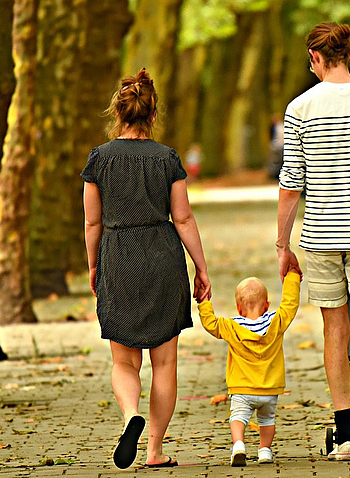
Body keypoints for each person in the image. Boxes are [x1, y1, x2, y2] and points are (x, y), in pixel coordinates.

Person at [276, 22, 350, 465]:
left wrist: (281, 242)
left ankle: (344, 432)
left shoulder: (300, 108)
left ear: (316, 59)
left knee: (334, 330)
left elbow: (292, 183)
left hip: (321, 236)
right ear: (349, 54)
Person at [81, 68, 212, 469]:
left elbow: (92, 222)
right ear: (152, 115)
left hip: (118, 256)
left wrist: (94, 266)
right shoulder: (167, 158)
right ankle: (154, 450)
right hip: (162, 256)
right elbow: (184, 219)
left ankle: (129, 416)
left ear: (117, 113)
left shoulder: (99, 160)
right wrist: (201, 269)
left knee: (124, 362)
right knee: (165, 364)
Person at [197, 271, 301, 467]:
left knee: (238, 418)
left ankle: (238, 445)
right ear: (267, 305)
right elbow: (290, 305)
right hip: (269, 390)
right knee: (267, 420)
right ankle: (265, 451)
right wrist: (292, 278)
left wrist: (204, 301)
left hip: (241, 389)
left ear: (238, 308)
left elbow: (210, 324)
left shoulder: (231, 327)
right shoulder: (276, 323)